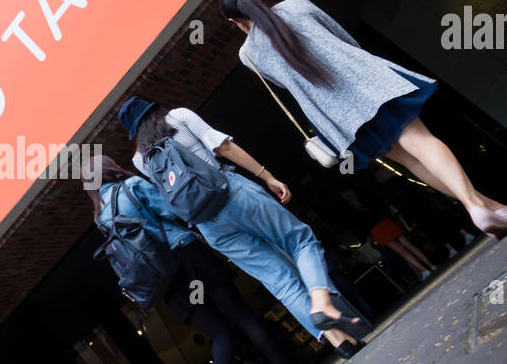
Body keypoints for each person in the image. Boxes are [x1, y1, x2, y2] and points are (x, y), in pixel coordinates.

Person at [220, 0, 507, 239]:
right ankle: (477, 206)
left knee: (411, 160)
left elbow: (283, 83)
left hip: (336, 115)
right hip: (366, 83)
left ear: (234, 21)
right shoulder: (297, 4)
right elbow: (344, 39)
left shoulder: (247, 55)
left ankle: (492, 208)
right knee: (421, 141)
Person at [86, 153, 321, 364]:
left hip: (169, 285)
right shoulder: (132, 187)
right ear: (109, 168)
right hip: (188, 261)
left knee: (220, 332)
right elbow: (172, 210)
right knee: (242, 315)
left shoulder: (100, 216)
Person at [117, 100, 366, 350]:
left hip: (208, 224)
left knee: (277, 279)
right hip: (231, 192)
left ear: (133, 131)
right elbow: (224, 147)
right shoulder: (179, 117)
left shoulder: (140, 159)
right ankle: (322, 301)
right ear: (154, 108)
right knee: (301, 241)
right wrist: (267, 176)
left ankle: (338, 340)